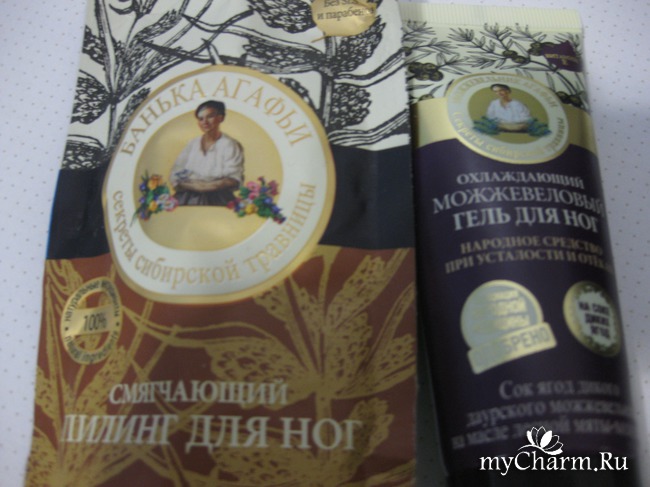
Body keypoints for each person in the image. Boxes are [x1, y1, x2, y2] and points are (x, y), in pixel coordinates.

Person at [169, 100, 244, 206]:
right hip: (188, 195)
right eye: (201, 119)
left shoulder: (230, 145)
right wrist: (195, 186)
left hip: (218, 197)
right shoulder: (192, 144)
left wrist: (206, 187)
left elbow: (234, 179)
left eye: (210, 117)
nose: (205, 122)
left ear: (221, 118)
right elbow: (176, 174)